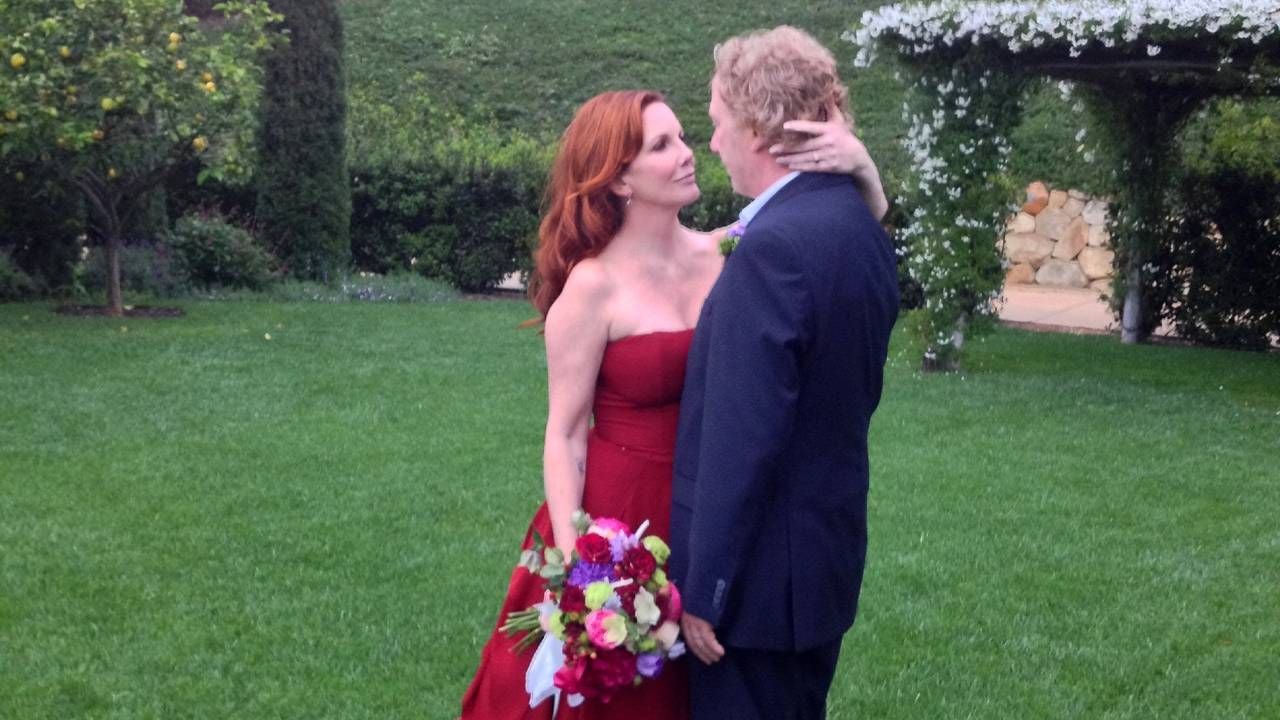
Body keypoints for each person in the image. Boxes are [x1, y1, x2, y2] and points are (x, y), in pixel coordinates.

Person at [459, 87, 888, 719]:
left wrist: (863, 171)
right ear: (619, 179)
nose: (688, 154)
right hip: (617, 521)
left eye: (684, 136)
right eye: (662, 146)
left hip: (708, 507)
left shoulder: (731, 252)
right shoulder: (592, 289)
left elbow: (836, 241)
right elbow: (566, 434)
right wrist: (580, 560)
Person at [668, 26, 900, 720]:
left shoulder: (774, 250)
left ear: (761, 131)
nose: (710, 144)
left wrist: (706, 590)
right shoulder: (860, 226)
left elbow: (743, 441)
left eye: (716, 124)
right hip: (818, 570)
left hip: (759, 595)